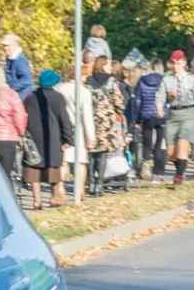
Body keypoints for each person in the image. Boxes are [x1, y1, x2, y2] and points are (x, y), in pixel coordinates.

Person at [23, 69, 74, 209]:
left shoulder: (30, 97)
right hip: (53, 139)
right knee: (53, 169)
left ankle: (37, 201)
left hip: (33, 138)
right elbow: (64, 119)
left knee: (34, 170)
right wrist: (68, 138)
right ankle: (55, 197)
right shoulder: (58, 97)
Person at [155, 50, 194, 185]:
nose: (175, 66)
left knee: (182, 145)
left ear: (184, 63)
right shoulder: (167, 79)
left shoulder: (191, 79)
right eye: (173, 63)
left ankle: (178, 176)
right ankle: (180, 169)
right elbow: (160, 96)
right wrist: (159, 107)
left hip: (189, 114)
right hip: (173, 115)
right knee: (171, 152)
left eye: (178, 63)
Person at [86, 56, 126, 197]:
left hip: (91, 119)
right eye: (108, 65)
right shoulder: (110, 81)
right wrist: (119, 110)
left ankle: (90, 182)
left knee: (91, 152)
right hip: (106, 121)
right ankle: (99, 184)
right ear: (103, 66)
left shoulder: (89, 81)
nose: (110, 68)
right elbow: (118, 101)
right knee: (102, 152)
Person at [57, 67, 97, 202]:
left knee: (63, 161)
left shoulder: (60, 89)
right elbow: (87, 116)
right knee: (80, 161)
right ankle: (79, 189)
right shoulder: (84, 92)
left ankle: (60, 188)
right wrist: (91, 137)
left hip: (62, 127)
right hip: (78, 129)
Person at [134, 59, 166, 180]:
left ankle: (145, 166)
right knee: (159, 144)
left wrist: (137, 118)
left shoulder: (142, 80)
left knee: (147, 144)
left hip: (146, 115)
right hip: (161, 115)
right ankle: (158, 172)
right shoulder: (164, 80)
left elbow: (138, 101)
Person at [2, 33, 34, 100]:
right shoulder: (10, 59)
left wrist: (10, 87)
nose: (5, 48)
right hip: (15, 96)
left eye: (8, 46)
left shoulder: (20, 60)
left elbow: (26, 80)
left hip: (22, 97)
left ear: (16, 45)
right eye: (4, 46)